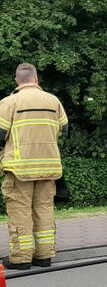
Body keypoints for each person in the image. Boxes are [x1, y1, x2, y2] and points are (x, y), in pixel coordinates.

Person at [0, 64, 67, 269]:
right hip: (48, 168)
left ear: (17, 81)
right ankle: (44, 255)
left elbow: (0, 136)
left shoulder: (8, 102)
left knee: (21, 211)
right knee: (44, 209)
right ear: (36, 80)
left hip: (20, 169)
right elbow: (63, 129)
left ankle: (21, 258)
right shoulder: (53, 101)